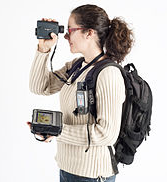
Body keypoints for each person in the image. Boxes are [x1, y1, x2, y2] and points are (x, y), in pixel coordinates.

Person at [28, 4, 134, 182]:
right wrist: (43, 49)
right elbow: (40, 87)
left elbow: (106, 133)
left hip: (92, 175)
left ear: (89, 33)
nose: (65, 36)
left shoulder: (108, 74)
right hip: (68, 168)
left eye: (70, 30)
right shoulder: (76, 66)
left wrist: (58, 131)